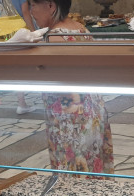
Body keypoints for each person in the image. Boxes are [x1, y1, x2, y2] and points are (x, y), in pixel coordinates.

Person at [28, 0, 114, 176]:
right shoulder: (81, 28)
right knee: (93, 162)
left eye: (33, 5)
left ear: (50, 6)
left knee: (72, 169)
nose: (31, 11)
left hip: (69, 117)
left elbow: (52, 77)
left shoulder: (54, 37)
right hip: (92, 108)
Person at [11, 0, 38, 115]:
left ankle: (21, 102)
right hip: (21, 30)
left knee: (18, 67)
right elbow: (25, 12)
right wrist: (34, 34)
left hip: (7, 31)